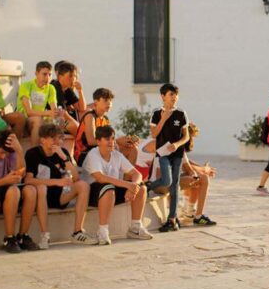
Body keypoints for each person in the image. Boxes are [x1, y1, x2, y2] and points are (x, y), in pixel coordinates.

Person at [82, 125, 153, 244]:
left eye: (113, 139)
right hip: (92, 194)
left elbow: (137, 174)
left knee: (141, 188)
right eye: (107, 139)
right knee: (108, 188)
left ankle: (135, 227)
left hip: (110, 192)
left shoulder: (116, 154)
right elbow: (100, 178)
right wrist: (127, 185)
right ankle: (103, 231)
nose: (111, 142)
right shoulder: (93, 155)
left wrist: (133, 186)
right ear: (98, 141)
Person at [24, 122, 92, 245]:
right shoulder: (33, 153)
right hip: (41, 197)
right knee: (41, 188)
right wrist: (56, 181)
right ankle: (45, 235)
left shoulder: (63, 153)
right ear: (43, 140)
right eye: (53, 138)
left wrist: (64, 158)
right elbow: (28, 180)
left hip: (60, 195)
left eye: (59, 138)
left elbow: (76, 178)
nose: (57, 141)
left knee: (83, 186)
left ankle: (78, 232)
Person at [147, 83, 191, 233]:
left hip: (177, 154)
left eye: (176, 95)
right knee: (167, 180)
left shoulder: (181, 113)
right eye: (171, 94)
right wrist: (164, 118)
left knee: (174, 186)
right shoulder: (156, 113)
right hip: (163, 153)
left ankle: (172, 219)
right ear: (163, 97)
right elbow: (153, 134)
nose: (174, 97)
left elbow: (186, 136)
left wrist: (177, 144)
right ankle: (148, 186)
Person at [75, 88, 140, 166]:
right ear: (96, 102)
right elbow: (91, 141)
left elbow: (109, 140)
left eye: (110, 100)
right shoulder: (90, 116)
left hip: (101, 150)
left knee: (133, 149)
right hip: (85, 154)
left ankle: (127, 178)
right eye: (105, 100)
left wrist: (124, 141)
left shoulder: (105, 119)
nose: (109, 103)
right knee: (112, 149)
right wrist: (117, 141)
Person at [179, 123, 217, 226]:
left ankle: (189, 211)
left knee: (197, 176)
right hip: (165, 180)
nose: (192, 140)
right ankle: (198, 215)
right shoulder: (177, 146)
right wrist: (204, 170)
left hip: (167, 177)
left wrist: (203, 169)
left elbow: (187, 162)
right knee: (202, 178)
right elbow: (187, 167)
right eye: (192, 137)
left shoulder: (176, 144)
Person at [18, 61, 62, 148]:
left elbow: (54, 109)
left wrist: (56, 113)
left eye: (50, 74)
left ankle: (56, 152)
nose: (47, 77)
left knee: (60, 120)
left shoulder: (51, 88)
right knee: (38, 120)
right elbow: (29, 112)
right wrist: (49, 113)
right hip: (25, 119)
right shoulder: (26, 86)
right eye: (44, 74)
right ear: (36, 73)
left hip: (40, 117)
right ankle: (34, 152)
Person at [50, 61, 85, 140]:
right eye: (70, 76)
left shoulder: (67, 89)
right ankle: (84, 147)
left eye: (75, 76)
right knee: (74, 126)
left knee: (86, 113)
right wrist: (77, 125)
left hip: (60, 118)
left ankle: (83, 145)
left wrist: (80, 91)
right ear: (60, 76)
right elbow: (62, 111)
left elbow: (82, 107)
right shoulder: (55, 87)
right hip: (50, 118)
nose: (73, 79)